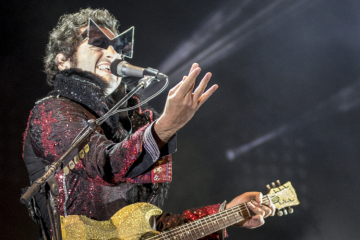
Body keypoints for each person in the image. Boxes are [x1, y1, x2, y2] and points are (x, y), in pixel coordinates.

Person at [22, 8, 275, 239]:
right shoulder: (52, 111)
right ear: (63, 61)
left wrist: (226, 213)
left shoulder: (138, 121)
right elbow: (104, 165)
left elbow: (154, 229)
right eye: (98, 44)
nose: (113, 53)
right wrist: (165, 126)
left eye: (118, 47)